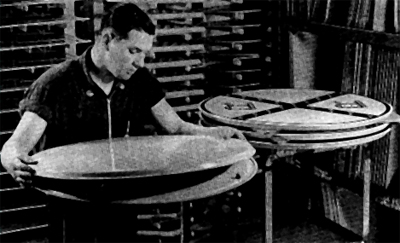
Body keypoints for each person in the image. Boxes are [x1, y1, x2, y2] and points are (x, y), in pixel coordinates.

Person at [0, 2, 245, 188]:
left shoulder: (138, 80)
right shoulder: (56, 83)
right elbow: (15, 145)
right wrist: (12, 159)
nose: (140, 62)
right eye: (133, 51)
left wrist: (214, 134)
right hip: (72, 198)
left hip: (119, 194)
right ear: (108, 39)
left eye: (144, 54)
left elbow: (176, 128)